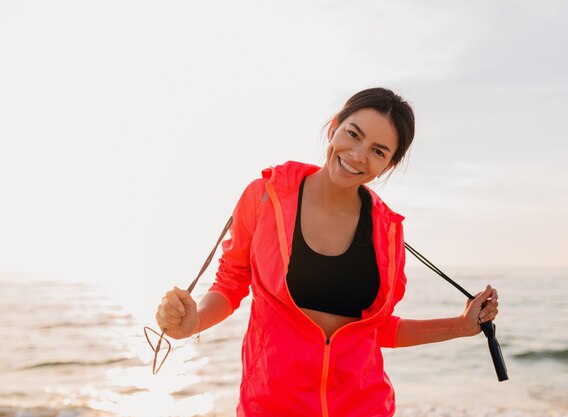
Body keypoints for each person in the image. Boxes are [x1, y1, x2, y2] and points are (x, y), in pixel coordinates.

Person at [155, 87, 499, 417]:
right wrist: (194, 322)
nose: (358, 155)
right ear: (334, 128)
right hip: (271, 407)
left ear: (388, 165)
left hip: (365, 409)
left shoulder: (388, 230)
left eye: (379, 151)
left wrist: (460, 326)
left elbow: (376, 331)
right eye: (353, 134)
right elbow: (230, 285)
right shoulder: (265, 197)